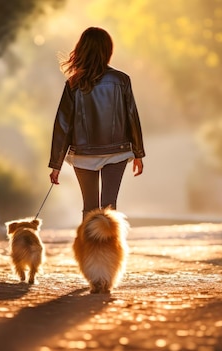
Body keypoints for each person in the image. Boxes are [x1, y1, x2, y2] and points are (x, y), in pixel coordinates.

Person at [48, 27, 145, 219]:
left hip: (83, 154)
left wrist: (56, 164)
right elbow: (132, 116)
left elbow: (63, 125)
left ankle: (88, 248)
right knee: (109, 208)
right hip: (117, 151)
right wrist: (138, 153)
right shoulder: (121, 80)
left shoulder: (73, 83)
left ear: (81, 49)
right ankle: (109, 248)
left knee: (89, 209)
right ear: (108, 50)